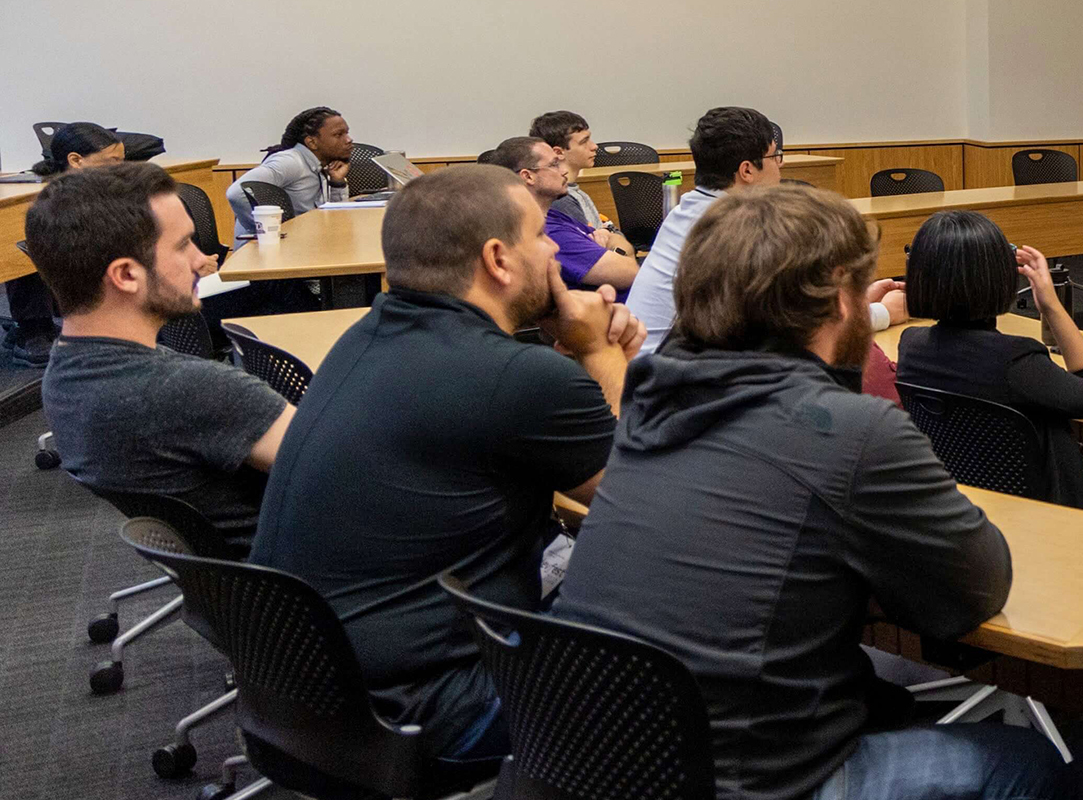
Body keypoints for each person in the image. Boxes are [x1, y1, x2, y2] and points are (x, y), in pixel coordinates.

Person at [549, 183, 1066, 800]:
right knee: (1039, 778)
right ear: (836, 302)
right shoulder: (854, 433)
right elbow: (971, 593)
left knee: (878, 701)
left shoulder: (649, 396)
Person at [250, 165, 641, 762]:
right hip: (425, 713)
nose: (554, 254)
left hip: (298, 701)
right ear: (498, 259)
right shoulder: (518, 378)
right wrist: (600, 354)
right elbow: (636, 507)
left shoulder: (365, 336)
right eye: (542, 237)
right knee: (686, 621)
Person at [27, 163, 291, 547]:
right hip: (329, 583)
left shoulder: (65, 373)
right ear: (126, 275)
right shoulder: (197, 390)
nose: (202, 259)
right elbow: (355, 472)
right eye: (184, 244)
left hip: (241, 588)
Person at [895, 209, 1083, 513]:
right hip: (1059, 514)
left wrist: (1064, 465)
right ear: (997, 277)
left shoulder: (912, 345)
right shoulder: (1016, 361)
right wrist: (1051, 305)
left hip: (979, 505)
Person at [626, 106, 782, 350]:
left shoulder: (687, 210)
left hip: (648, 364)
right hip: (663, 373)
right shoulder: (731, 227)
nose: (780, 166)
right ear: (747, 170)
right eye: (775, 156)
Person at [4, 123, 127, 367]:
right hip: (70, 288)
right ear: (76, 160)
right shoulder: (45, 201)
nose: (120, 169)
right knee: (22, 238)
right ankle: (32, 327)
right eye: (112, 161)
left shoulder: (98, 191)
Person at [488, 135, 637, 294]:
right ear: (528, 176)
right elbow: (631, 272)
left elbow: (618, 240)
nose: (564, 171)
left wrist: (612, 242)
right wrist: (617, 250)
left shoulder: (554, 215)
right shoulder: (548, 232)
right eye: (554, 165)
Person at [224, 106, 353, 248]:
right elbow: (237, 192)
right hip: (264, 254)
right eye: (338, 135)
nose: (348, 140)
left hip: (302, 246)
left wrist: (337, 183)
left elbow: (333, 217)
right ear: (312, 142)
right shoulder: (289, 162)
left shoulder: (320, 165)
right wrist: (270, 229)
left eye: (347, 133)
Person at [527, 109, 610, 231]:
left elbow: (608, 229)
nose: (594, 146)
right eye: (584, 142)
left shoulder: (576, 193)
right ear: (558, 152)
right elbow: (592, 244)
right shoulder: (561, 201)